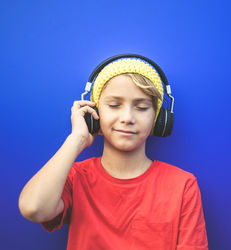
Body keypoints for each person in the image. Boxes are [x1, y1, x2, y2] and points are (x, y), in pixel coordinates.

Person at [18, 56, 208, 250]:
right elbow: (34, 208)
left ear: (159, 120)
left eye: (141, 108)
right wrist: (77, 139)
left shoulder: (182, 185)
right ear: (95, 113)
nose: (127, 118)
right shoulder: (75, 177)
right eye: (114, 105)